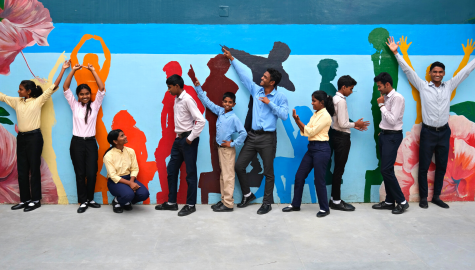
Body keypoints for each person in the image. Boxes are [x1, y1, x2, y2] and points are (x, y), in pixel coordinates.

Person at [387, 36, 475, 209]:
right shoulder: (422, 86)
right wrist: (396, 52)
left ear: (443, 74)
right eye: (434, 72)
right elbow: (408, 71)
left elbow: (465, 72)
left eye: (440, 72)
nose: (437, 74)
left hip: (444, 132)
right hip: (428, 132)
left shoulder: (449, 86)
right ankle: (423, 197)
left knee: (442, 165)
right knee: (424, 166)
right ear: (430, 74)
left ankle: (436, 197)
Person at [223, 48, 289, 215]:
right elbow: (244, 75)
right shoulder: (256, 90)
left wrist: (269, 103)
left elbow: (284, 116)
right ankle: (247, 194)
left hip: (268, 138)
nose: (261, 77)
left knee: (268, 172)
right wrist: (232, 58)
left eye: (265, 77)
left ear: (272, 82)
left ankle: (266, 203)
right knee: (239, 166)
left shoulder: (280, 97)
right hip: (252, 136)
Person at [0, 60, 69, 212]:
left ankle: (35, 200)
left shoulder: (38, 101)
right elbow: (2, 97)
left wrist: (63, 69)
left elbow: (53, 87)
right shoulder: (17, 101)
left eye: (21, 89)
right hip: (22, 138)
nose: (18, 91)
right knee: (22, 169)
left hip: (34, 138)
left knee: (34, 169)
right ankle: (25, 200)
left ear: (28, 91)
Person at [155, 74, 206, 217]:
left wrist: (190, 138)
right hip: (179, 140)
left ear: (177, 86)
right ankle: (172, 202)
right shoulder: (176, 99)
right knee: (171, 170)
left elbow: (201, 120)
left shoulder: (187, 99)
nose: (168, 90)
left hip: (188, 139)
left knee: (190, 173)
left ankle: (190, 205)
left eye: (170, 87)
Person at [193, 78, 247, 212]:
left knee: (228, 176)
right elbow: (207, 102)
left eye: (230, 102)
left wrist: (233, 143)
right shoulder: (220, 111)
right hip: (220, 149)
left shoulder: (234, 118)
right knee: (223, 175)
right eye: (225, 101)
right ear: (222, 102)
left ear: (234, 104)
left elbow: (243, 133)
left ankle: (228, 204)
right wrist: (199, 88)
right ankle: (224, 200)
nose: (227, 104)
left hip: (228, 151)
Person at [282, 91, 333, 217]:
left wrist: (297, 121)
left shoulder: (325, 116)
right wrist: (297, 121)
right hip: (312, 149)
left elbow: (309, 132)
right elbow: (306, 130)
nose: (312, 103)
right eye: (312, 100)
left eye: (314, 101)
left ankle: (324, 208)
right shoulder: (316, 114)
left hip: (321, 149)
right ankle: (295, 204)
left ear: (322, 103)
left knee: (319, 180)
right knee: (299, 176)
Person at [63, 61, 105, 213]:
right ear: (78, 96)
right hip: (77, 143)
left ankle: (90, 198)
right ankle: (83, 201)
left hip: (91, 143)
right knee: (80, 173)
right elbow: (66, 88)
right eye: (82, 94)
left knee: (91, 172)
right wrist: (72, 71)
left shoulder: (95, 105)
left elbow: (101, 88)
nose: (85, 96)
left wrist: (93, 71)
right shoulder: (74, 105)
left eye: (87, 94)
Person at [329, 76, 370, 211]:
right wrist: (354, 124)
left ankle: (334, 198)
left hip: (336, 135)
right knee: (339, 170)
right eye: (351, 89)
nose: (351, 92)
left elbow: (340, 121)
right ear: (344, 87)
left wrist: (353, 125)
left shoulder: (336, 99)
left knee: (337, 170)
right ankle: (336, 201)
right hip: (341, 138)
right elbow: (342, 123)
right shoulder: (340, 101)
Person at [371, 72, 408, 214]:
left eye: (380, 86)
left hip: (392, 137)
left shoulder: (397, 98)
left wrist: (381, 106)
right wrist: (383, 130)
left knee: (385, 170)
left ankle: (402, 201)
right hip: (385, 135)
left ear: (387, 84)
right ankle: (389, 201)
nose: (378, 89)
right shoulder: (385, 97)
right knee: (388, 170)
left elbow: (393, 120)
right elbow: (388, 121)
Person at [103, 130, 150, 213]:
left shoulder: (130, 151)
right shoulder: (108, 156)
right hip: (116, 182)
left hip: (130, 178)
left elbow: (135, 168)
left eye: (124, 134)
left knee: (144, 194)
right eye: (122, 136)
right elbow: (113, 176)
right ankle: (117, 201)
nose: (125, 137)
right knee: (129, 194)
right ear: (115, 141)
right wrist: (130, 184)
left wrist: (131, 182)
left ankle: (126, 200)